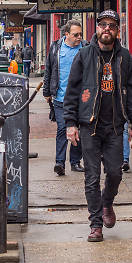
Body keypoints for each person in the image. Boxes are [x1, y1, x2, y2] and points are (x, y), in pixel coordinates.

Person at [63, 9, 132, 243]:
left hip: (115, 127)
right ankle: (95, 224)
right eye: (102, 24)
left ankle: (107, 202)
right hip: (89, 126)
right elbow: (72, 91)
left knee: (116, 173)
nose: (106, 28)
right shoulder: (84, 55)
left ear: (117, 30)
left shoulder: (125, 57)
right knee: (92, 176)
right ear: (96, 28)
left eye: (111, 25)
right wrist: (70, 123)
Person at [43, 20, 86, 175]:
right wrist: (47, 92)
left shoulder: (85, 47)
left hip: (81, 98)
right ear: (66, 34)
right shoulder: (56, 48)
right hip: (60, 98)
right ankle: (59, 163)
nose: (79, 37)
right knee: (63, 129)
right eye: (75, 34)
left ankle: (75, 162)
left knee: (79, 130)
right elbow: (49, 70)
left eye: (80, 34)